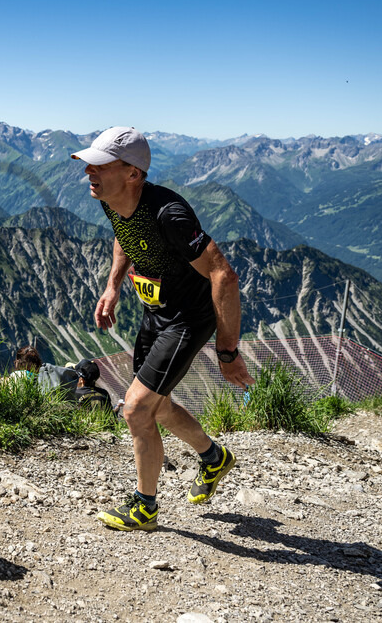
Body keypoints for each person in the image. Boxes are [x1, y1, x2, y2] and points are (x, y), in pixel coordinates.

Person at [72, 126, 255, 531]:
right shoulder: (112, 200)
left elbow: (224, 275)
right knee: (159, 407)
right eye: (89, 163)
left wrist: (228, 352)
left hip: (188, 319)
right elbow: (125, 237)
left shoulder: (168, 214)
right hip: (156, 314)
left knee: (137, 409)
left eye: (100, 164)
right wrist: (113, 287)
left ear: (133, 173)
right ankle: (213, 458)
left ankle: (144, 509)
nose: (89, 170)